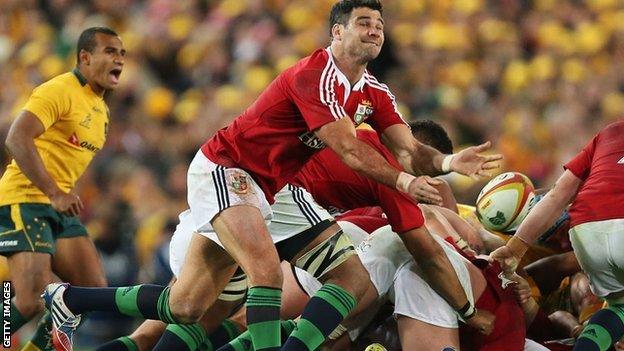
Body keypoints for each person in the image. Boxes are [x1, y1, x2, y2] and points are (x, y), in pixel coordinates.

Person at [44, 1, 500, 351]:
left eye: (379, 24)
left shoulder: (374, 92)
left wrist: (446, 164)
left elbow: (409, 146)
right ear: (337, 32)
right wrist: (404, 183)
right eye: (364, 22)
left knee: (196, 306)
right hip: (229, 170)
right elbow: (349, 148)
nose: (375, 29)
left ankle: (71, 299)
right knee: (260, 276)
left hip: (275, 191)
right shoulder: (317, 74)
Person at [0, 27, 124, 350]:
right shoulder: (59, 90)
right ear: (84, 57)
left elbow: (64, 158)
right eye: (110, 52)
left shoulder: (102, 112)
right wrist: (55, 191)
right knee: (28, 299)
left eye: (122, 54)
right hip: (24, 198)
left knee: (90, 291)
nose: (119, 60)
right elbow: (16, 138)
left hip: (57, 207)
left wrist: (61, 193)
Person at [490, 120, 624, 351]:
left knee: (619, 306)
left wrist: (514, 248)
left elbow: (557, 196)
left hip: (585, 229)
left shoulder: (610, 132)